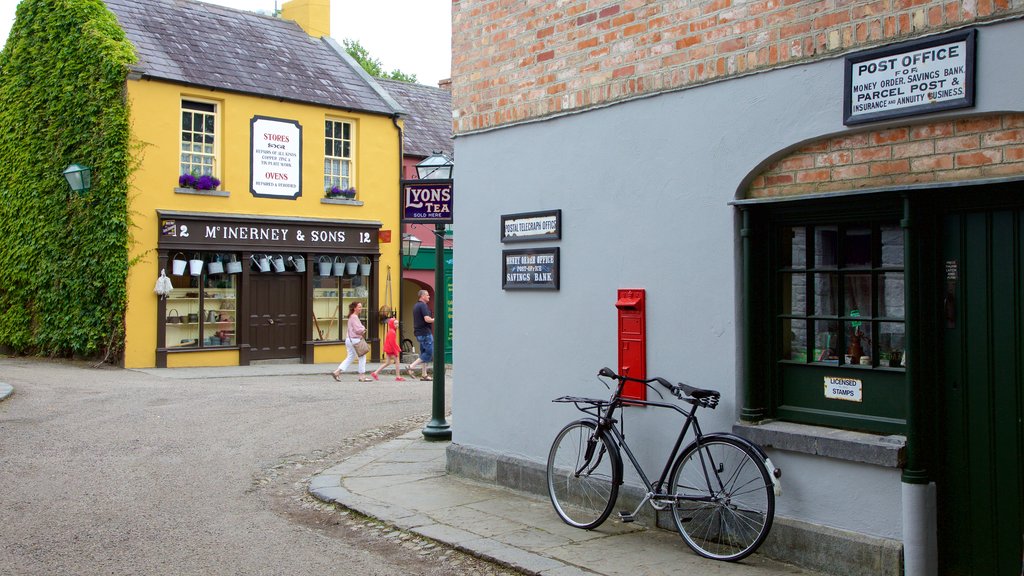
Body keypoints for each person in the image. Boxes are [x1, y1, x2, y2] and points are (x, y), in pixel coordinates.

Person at [332, 301, 371, 382]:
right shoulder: (354, 317)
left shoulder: (351, 316)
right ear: (354, 308)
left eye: (361, 307)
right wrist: (363, 329)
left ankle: (337, 372)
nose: (361, 308)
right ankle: (362, 376)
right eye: (359, 307)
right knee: (362, 357)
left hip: (349, 340)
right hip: (355, 340)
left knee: (350, 357)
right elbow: (357, 330)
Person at [406, 290, 434, 381]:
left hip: (419, 333)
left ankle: (424, 374)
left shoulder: (416, 306)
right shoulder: (423, 305)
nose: (429, 296)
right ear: (422, 296)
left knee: (423, 353)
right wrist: (435, 319)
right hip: (425, 332)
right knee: (429, 352)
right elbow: (427, 319)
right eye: (427, 295)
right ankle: (411, 366)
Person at [371, 317, 405, 381]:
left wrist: (398, 348)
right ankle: (398, 376)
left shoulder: (391, 331)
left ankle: (375, 373)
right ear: (392, 324)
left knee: (387, 362)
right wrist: (396, 351)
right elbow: (392, 343)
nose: (397, 325)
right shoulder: (392, 332)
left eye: (397, 323)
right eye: (395, 324)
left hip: (388, 349)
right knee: (397, 362)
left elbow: (393, 342)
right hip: (391, 350)